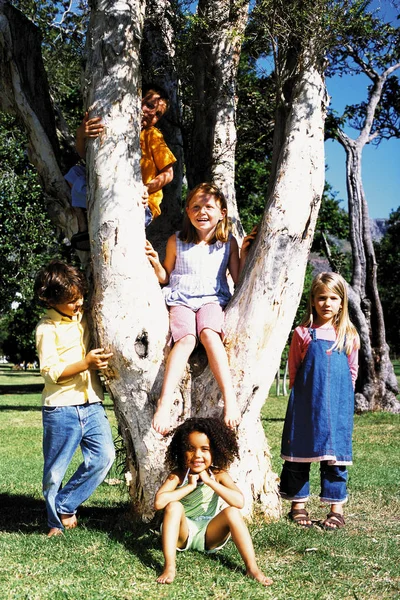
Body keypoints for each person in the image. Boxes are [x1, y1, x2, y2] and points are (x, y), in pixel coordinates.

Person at [146, 183, 254, 435]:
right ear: (187, 211)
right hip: (181, 299)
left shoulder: (228, 244)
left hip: (212, 300)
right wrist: (154, 262)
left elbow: (238, 280)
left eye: (208, 207)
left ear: (222, 213)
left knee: (209, 334)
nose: (201, 212)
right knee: (184, 340)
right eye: (195, 206)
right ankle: (164, 402)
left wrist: (245, 253)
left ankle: (230, 399)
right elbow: (165, 276)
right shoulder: (177, 241)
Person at [34, 260, 116, 537]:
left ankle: (65, 504)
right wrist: (86, 364)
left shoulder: (86, 318)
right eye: (70, 301)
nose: (78, 303)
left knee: (104, 457)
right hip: (60, 409)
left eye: (80, 296)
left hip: (92, 404)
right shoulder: (47, 328)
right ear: (50, 299)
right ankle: (54, 523)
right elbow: (52, 373)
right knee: (54, 471)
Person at [280, 272, 360, 530]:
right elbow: (294, 370)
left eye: (333, 298)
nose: (327, 303)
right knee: (298, 455)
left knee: (335, 459)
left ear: (341, 302)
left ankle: (336, 509)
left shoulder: (348, 335)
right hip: (306, 404)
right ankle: (298, 505)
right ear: (313, 300)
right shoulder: (302, 333)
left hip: (338, 406)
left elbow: (352, 372)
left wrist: (343, 401)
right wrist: (304, 397)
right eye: (321, 297)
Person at [154, 417, 273, 586]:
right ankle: (170, 567)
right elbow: (159, 502)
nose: (197, 455)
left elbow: (239, 502)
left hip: (209, 534)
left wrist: (210, 482)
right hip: (182, 533)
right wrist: (189, 487)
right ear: (182, 451)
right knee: (173, 506)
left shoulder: (219, 475)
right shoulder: (178, 475)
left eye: (205, 449)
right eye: (190, 449)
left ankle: (252, 568)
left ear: (215, 451)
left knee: (232, 511)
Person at [68, 85, 176, 244]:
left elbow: (169, 173)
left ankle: (103, 228)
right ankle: (90, 222)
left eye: (158, 114)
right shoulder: (115, 124)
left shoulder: (151, 134)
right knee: (75, 173)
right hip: (110, 194)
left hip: (139, 204)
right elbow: (86, 156)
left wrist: (145, 188)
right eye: (150, 105)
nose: (152, 113)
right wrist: (81, 135)